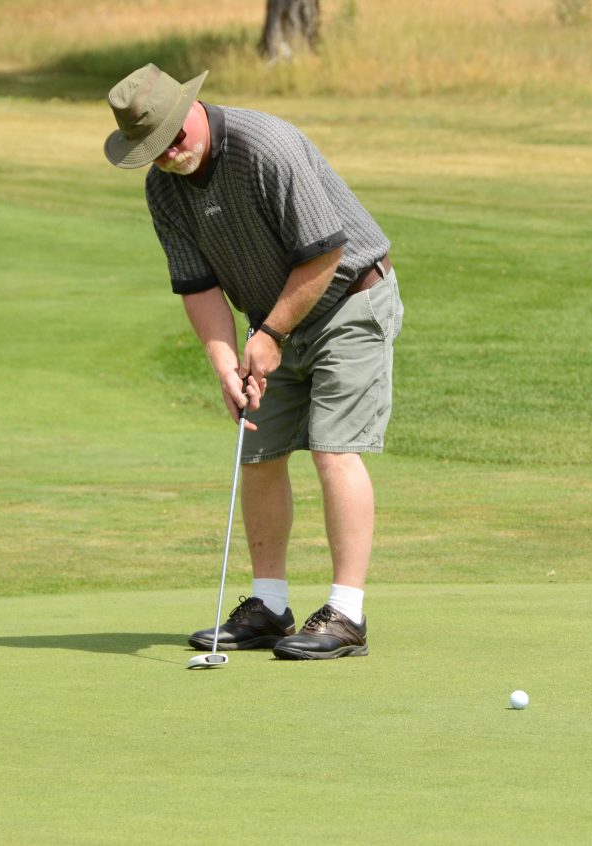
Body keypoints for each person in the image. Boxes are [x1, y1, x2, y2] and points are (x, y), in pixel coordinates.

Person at [103, 64, 403, 660]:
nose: (168, 155)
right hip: (274, 319)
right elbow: (197, 285)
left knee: (333, 448)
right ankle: (269, 605)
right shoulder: (164, 188)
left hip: (351, 299)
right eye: (153, 150)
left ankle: (347, 614)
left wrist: (269, 334)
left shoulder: (265, 146)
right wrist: (225, 364)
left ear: (191, 109)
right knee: (258, 451)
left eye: (172, 138)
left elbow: (326, 252)